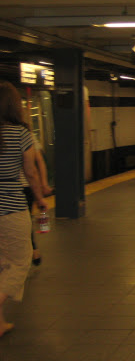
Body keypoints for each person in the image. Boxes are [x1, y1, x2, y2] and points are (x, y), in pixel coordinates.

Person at [0, 81, 47, 337]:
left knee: (2, 263)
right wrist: (39, 197)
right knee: (21, 260)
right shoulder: (20, 133)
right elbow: (30, 172)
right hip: (11, 207)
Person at [19, 132, 53, 265]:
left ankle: (32, 249)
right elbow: (37, 164)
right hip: (24, 187)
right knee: (25, 219)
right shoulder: (24, 133)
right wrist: (42, 187)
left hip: (16, 188)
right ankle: (33, 249)